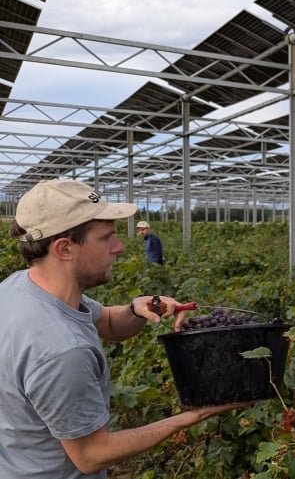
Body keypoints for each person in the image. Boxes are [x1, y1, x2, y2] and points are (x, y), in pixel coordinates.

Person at [0, 179, 243, 478]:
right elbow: (91, 455)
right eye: (106, 238)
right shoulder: (61, 350)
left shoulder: (21, 287)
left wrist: (135, 309)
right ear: (64, 249)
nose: (120, 247)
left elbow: (108, 323)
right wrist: (194, 415)